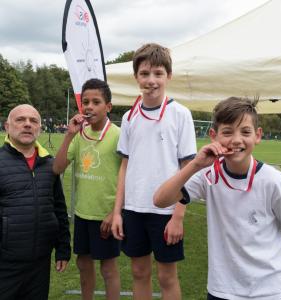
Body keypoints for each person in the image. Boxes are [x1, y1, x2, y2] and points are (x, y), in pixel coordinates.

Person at [154, 97, 281, 300]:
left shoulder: (273, 180)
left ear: (257, 136)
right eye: (227, 132)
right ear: (214, 136)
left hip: (273, 289)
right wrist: (195, 164)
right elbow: (160, 200)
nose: (237, 139)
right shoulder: (208, 175)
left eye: (246, 132)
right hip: (224, 290)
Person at [111, 43, 197, 300]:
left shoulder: (181, 114)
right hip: (134, 209)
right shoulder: (128, 118)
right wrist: (117, 212)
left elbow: (187, 169)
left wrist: (178, 216)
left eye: (158, 73)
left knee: (166, 276)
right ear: (136, 76)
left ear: (168, 76)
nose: (151, 80)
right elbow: (125, 166)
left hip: (166, 211)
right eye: (145, 73)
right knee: (139, 272)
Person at [53, 78, 121, 300]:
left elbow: (128, 177)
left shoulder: (119, 135)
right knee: (83, 264)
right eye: (86, 102)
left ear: (108, 107)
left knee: (108, 268)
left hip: (106, 215)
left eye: (96, 102)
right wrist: (69, 135)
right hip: (82, 213)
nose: (89, 107)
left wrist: (115, 212)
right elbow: (57, 167)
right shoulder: (79, 134)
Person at [0, 104, 71, 300]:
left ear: (39, 128)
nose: (27, 125)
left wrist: (63, 248)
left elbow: (59, 207)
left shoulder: (50, 164)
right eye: (20, 120)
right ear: (7, 126)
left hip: (40, 263)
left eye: (33, 121)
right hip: (6, 264)